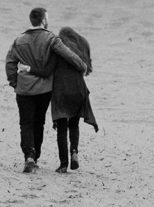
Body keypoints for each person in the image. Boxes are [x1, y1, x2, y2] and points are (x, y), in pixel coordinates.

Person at [5, 7, 87, 173]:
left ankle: (29, 155)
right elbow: (68, 55)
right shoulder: (51, 39)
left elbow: (10, 63)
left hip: (24, 89)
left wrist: (14, 82)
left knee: (25, 123)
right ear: (43, 20)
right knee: (39, 122)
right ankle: (35, 157)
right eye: (47, 17)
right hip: (44, 90)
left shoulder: (19, 40)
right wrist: (82, 66)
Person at [23, 26, 98, 173]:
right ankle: (74, 152)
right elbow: (86, 70)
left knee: (62, 129)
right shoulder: (81, 47)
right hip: (79, 90)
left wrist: (29, 69)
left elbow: (46, 71)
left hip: (61, 91)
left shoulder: (57, 50)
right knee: (74, 125)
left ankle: (63, 165)